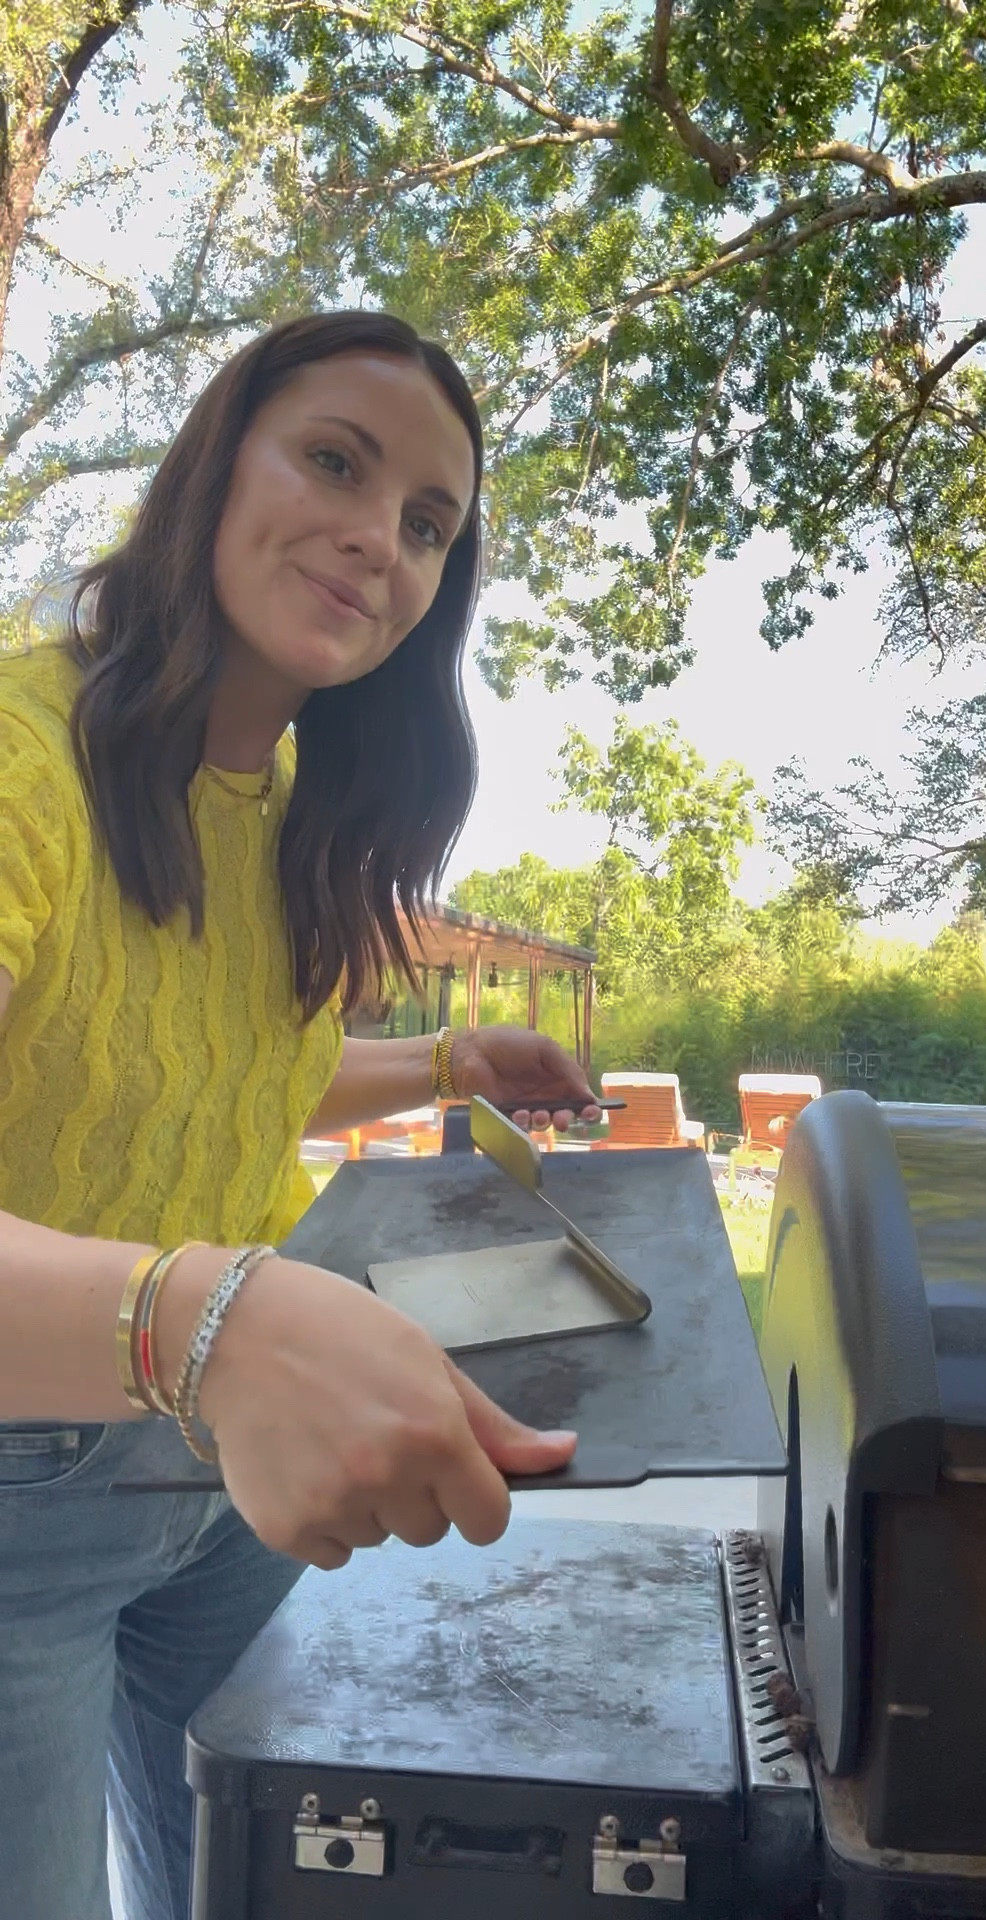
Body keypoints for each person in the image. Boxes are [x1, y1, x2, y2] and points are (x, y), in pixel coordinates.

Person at [0, 310, 599, 1920]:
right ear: (216, 464)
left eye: (427, 526)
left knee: (237, 1889)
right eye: (334, 460)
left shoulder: (295, 812)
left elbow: (200, 1070)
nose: (377, 542)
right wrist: (206, 1318)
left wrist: (444, 1069)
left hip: (221, 1489)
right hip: (15, 1501)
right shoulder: (17, 753)